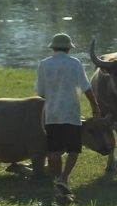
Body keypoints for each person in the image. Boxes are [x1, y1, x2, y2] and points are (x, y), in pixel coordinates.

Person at [35, 33, 101, 197]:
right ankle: (64, 178)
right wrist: (95, 105)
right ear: (68, 49)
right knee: (73, 149)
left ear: (53, 48)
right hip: (71, 113)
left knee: (54, 150)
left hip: (52, 114)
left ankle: (58, 178)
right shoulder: (75, 63)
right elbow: (86, 87)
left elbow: (41, 92)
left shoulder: (43, 65)